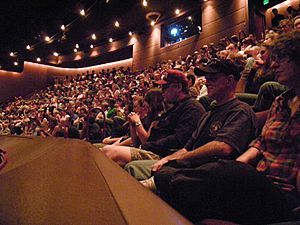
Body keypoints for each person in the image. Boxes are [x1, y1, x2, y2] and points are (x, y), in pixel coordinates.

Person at [153, 30, 300, 224]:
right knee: (227, 174)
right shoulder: (280, 101)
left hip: (284, 194)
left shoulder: (239, 110)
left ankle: (168, 184)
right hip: (257, 180)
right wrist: (236, 165)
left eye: (282, 59)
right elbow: (259, 144)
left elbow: (223, 148)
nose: (274, 64)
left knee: (227, 172)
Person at [125, 59, 257, 181]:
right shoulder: (209, 114)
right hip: (186, 167)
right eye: (206, 78)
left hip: (206, 174)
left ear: (229, 80)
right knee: (134, 168)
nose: (206, 82)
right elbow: (187, 147)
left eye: (213, 78)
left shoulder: (240, 110)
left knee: (138, 174)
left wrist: (179, 158)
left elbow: (223, 147)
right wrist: (167, 160)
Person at [102, 69, 205, 166]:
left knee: (110, 152)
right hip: (153, 150)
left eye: (165, 87)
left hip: (166, 156)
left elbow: (178, 140)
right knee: (104, 150)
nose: (162, 91)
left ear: (178, 87)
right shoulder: (174, 108)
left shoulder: (192, 108)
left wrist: (147, 146)